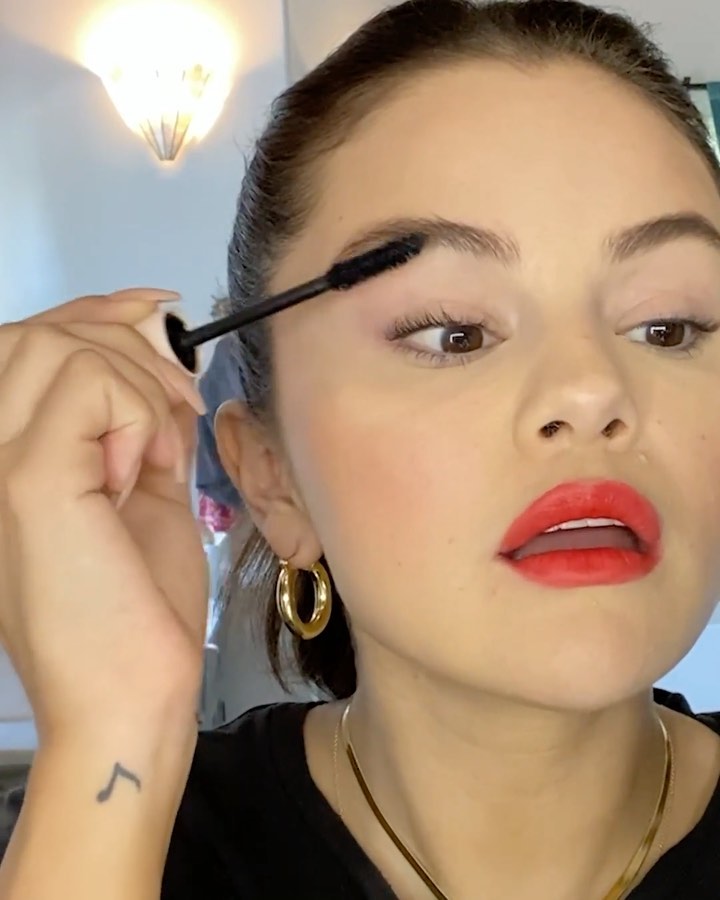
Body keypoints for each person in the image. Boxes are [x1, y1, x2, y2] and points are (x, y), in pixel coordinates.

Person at [1, 0, 720, 897]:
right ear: (272, 478)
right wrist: (114, 737)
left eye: (666, 326)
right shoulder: (103, 838)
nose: (591, 390)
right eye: (454, 333)